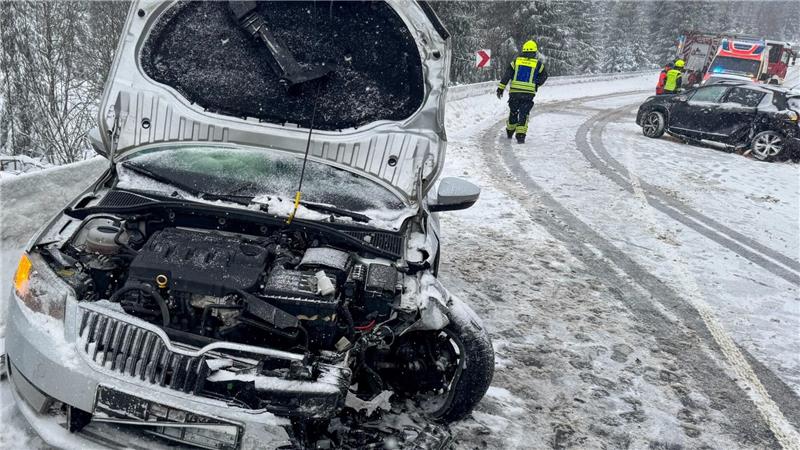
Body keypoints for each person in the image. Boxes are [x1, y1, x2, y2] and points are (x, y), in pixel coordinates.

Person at [496, 39, 548, 143]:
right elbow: (544, 76)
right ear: (534, 52)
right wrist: (536, 83)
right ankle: (520, 136)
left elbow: (507, 76)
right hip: (528, 95)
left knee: (513, 112)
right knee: (524, 114)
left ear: (523, 51)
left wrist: (501, 88)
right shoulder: (538, 64)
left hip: (515, 93)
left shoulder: (516, 62)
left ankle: (510, 131)